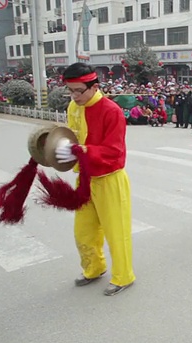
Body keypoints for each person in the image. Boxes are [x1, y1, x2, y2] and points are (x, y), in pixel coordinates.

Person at [58, 63, 136, 296]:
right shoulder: (74, 106)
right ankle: (94, 268)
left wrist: (81, 150)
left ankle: (123, 276)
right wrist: (63, 149)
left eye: (78, 91)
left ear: (95, 86)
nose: (74, 96)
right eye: (70, 91)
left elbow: (114, 152)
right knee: (83, 231)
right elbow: (71, 135)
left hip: (110, 179)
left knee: (116, 231)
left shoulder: (111, 111)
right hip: (85, 178)